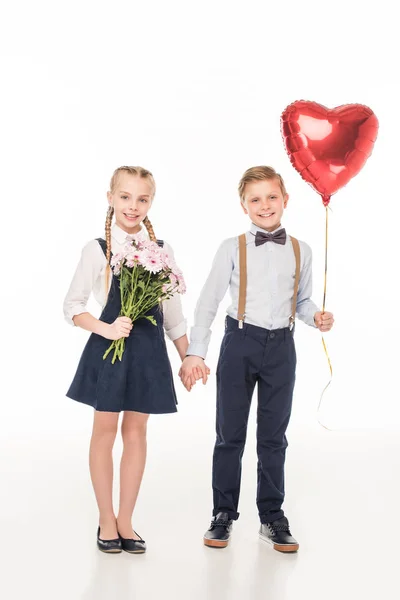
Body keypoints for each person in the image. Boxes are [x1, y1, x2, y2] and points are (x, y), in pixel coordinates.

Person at [179, 166, 334, 552]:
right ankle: (223, 513)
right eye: (255, 199)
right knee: (229, 433)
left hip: (283, 346)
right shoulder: (231, 248)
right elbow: (208, 302)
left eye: (272, 197)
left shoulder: (303, 249)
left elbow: (302, 301)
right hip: (240, 341)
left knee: (273, 437)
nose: (265, 205)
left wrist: (314, 315)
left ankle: (272, 516)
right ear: (244, 205)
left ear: (285, 199)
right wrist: (196, 351)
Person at [64, 166, 189, 554]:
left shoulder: (161, 251)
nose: (133, 206)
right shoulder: (98, 248)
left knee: (136, 434)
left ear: (151, 202)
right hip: (111, 350)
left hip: (148, 351)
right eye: (125, 197)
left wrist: (189, 358)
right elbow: (72, 307)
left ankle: (126, 521)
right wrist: (107, 329)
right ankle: (105, 519)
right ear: (110, 197)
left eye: (142, 199)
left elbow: (174, 316)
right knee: (105, 432)